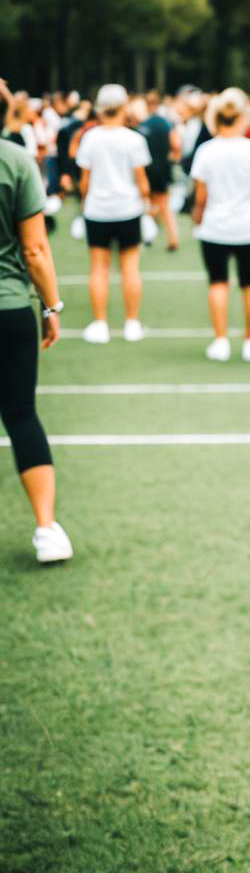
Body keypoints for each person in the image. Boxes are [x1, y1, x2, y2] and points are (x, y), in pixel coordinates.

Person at [0, 79, 72, 563]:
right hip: (8, 307)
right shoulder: (15, 159)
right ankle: (46, 529)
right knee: (21, 414)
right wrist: (52, 306)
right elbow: (34, 248)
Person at [189, 88, 250, 363]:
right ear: (243, 115)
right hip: (249, 227)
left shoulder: (206, 150)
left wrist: (198, 218)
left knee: (218, 283)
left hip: (215, 227)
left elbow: (200, 197)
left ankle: (221, 340)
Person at [75, 83, 151, 344]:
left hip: (97, 210)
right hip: (128, 209)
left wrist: (83, 205)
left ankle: (100, 324)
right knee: (130, 268)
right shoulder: (134, 139)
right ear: (124, 105)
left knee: (99, 268)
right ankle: (132, 322)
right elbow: (142, 180)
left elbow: (84, 181)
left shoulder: (90, 137)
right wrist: (148, 208)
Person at [137, 90, 181, 251]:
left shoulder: (143, 125)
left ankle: (148, 233)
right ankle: (172, 237)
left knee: (152, 204)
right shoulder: (166, 123)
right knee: (163, 204)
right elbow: (176, 144)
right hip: (163, 168)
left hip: (148, 168)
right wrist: (172, 157)